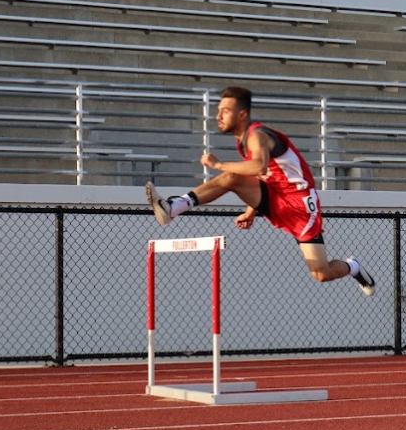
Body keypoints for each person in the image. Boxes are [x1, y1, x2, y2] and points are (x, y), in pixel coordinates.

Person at [145, 86, 375, 296]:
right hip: (274, 196)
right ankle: (174, 206)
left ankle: (352, 267)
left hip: (299, 205)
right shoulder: (243, 142)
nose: (218, 116)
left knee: (321, 273)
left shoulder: (257, 135)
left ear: (242, 114)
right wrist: (251, 211)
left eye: (225, 111)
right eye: (219, 110)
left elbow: (258, 166)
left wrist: (218, 165)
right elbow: (260, 175)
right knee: (233, 178)